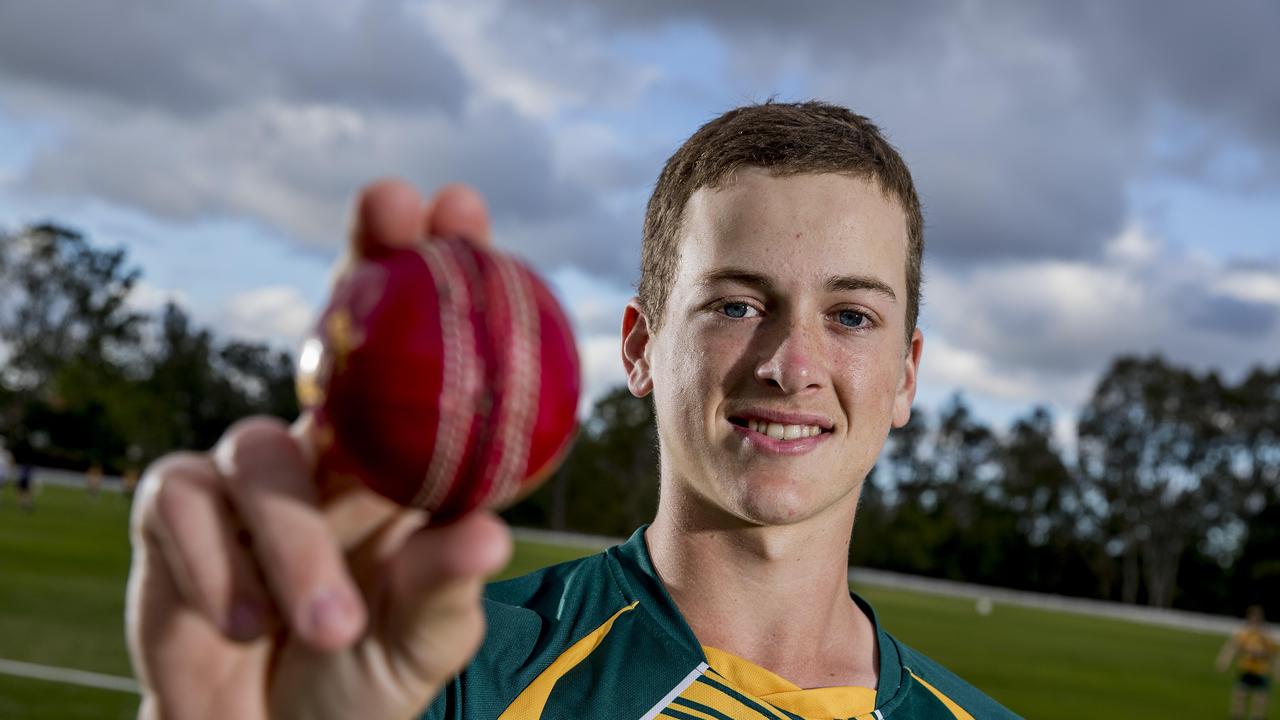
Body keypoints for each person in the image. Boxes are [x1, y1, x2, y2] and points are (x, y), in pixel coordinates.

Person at [126, 101, 1019, 719]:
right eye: (736, 305)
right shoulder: (448, 679)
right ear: (639, 347)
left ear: (905, 377)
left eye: (851, 316)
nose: (792, 365)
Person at [1217, 605, 1278, 720]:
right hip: (1246, 669)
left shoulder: (1266, 636)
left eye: (1257, 618)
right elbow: (1232, 647)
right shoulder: (1244, 634)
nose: (1254, 621)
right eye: (1252, 618)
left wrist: (1276, 670)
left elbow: (1273, 655)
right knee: (1240, 696)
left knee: (1259, 700)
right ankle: (1237, 716)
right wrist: (1224, 661)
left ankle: (1257, 717)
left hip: (1261, 672)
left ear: (1261, 619)